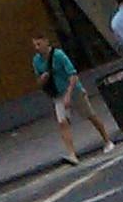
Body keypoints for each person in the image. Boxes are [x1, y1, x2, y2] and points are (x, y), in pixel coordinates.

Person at [31, 32, 117, 165]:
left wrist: (68, 95)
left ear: (46, 42)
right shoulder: (36, 60)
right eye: (35, 45)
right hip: (57, 93)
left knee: (90, 115)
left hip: (73, 90)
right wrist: (42, 79)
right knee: (62, 122)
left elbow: (72, 75)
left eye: (39, 44)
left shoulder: (58, 55)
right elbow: (38, 82)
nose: (37, 47)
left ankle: (107, 140)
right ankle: (72, 154)